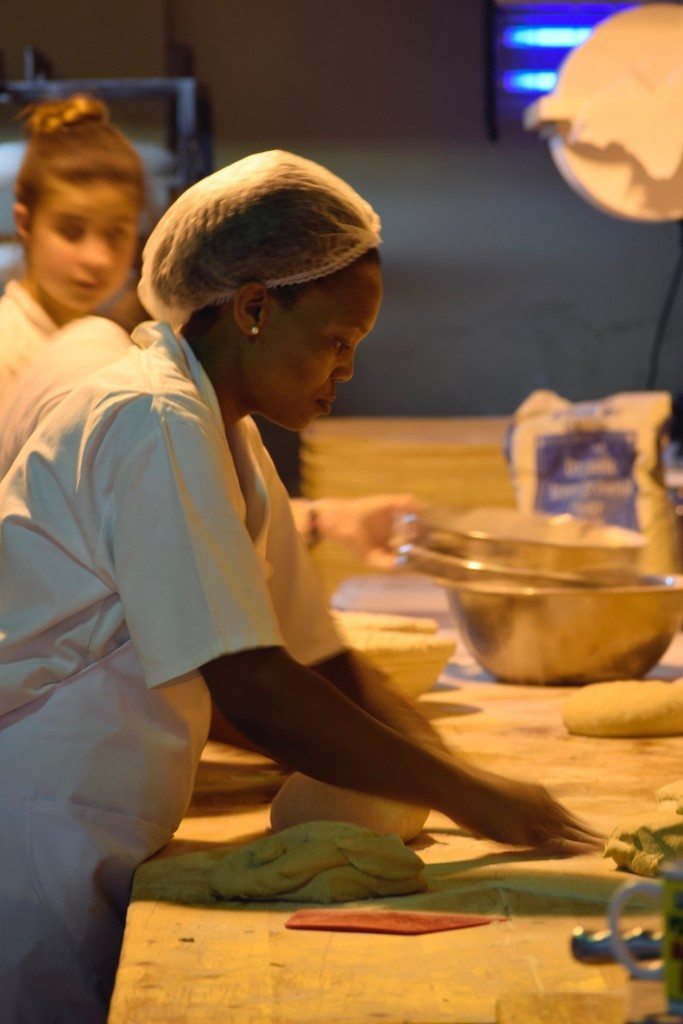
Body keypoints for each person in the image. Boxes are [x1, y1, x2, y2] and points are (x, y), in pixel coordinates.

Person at [0, 148, 600, 1021]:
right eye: (336, 339)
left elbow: (314, 657)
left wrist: (449, 764)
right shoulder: (150, 416)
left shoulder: (225, 436)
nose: (347, 369)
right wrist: (469, 796)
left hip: (93, 819)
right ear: (252, 308)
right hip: (31, 833)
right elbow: (252, 683)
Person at [0, 94, 414, 564]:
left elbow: (178, 519)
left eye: (114, 233)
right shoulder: (47, 361)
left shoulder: (138, 349)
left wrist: (326, 519)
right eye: (71, 231)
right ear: (25, 224)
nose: (95, 257)